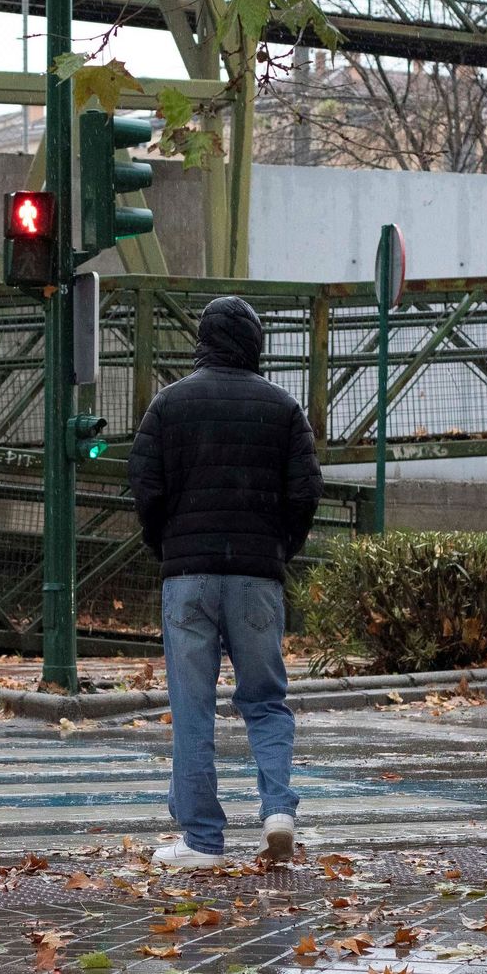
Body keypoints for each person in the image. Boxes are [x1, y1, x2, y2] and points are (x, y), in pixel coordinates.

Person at [127, 295, 324, 868]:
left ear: (203, 341)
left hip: (187, 575)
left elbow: (145, 485)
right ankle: (278, 810)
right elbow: (306, 491)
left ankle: (202, 841)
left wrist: (166, 545)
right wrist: (280, 546)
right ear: (255, 346)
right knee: (265, 700)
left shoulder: (169, 405)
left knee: (192, 707)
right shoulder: (283, 409)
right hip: (257, 576)